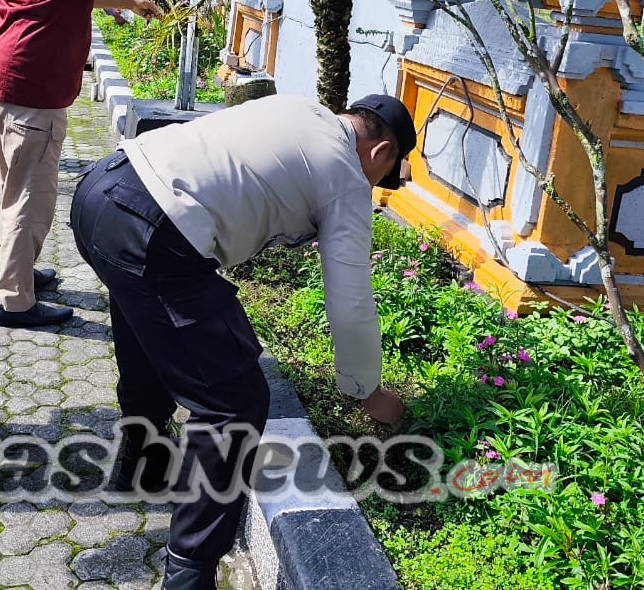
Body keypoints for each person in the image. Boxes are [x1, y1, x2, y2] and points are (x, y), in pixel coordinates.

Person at [69, 92, 415, 589]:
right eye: (385, 177)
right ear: (381, 153)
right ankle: (189, 576)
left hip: (102, 189)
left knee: (150, 337)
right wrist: (366, 389)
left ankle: (143, 465)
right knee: (235, 404)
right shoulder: (346, 176)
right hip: (159, 229)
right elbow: (351, 300)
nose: (376, 186)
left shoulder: (298, 109)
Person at [0, 0, 245, 328]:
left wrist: (121, 1)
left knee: (13, 187)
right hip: (31, 92)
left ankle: (18, 272)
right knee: (29, 194)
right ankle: (13, 302)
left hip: (6, 81)